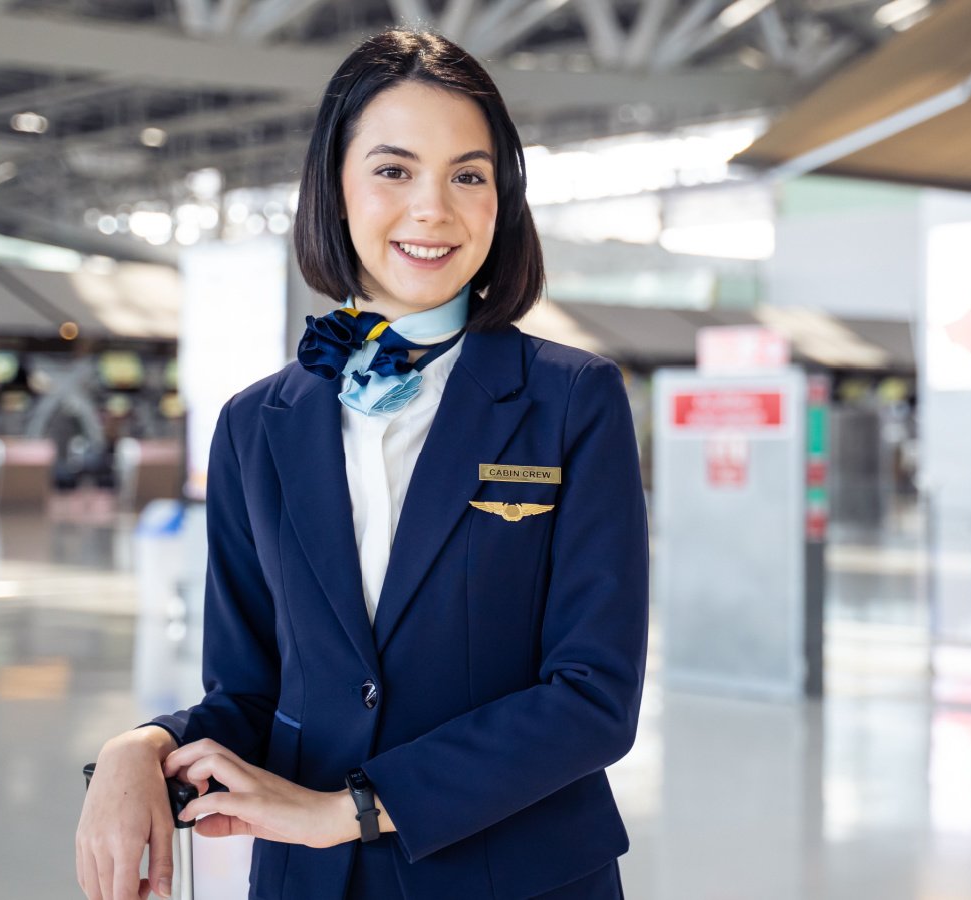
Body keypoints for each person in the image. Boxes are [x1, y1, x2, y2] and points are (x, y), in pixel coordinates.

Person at [75, 28, 648, 900]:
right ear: (335, 189)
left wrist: (352, 808)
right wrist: (144, 747)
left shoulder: (571, 399)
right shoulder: (254, 427)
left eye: (469, 174)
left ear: (504, 199)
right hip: (313, 884)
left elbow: (593, 698)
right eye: (393, 170)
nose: (433, 209)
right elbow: (253, 695)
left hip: (518, 876)